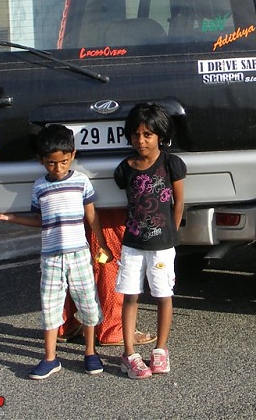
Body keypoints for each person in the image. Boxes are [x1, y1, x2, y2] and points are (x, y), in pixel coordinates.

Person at [0, 124, 113, 380]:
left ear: (73, 155)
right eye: (50, 163)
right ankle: (50, 357)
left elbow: (91, 215)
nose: (57, 168)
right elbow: (42, 221)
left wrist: (102, 243)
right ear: (40, 161)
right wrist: (12, 218)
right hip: (50, 257)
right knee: (50, 307)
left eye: (63, 162)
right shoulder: (40, 187)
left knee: (88, 302)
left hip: (79, 254)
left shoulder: (81, 181)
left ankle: (90, 352)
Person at [114, 102, 186, 379]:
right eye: (136, 134)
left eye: (147, 134)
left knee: (163, 295)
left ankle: (160, 349)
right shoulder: (125, 168)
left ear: (160, 136)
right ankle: (129, 353)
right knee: (130, 295)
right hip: (132, 245)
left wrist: (172, 231)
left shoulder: (171, 164)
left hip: (162, 247)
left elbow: (179, 202)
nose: (141, 140)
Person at [56, 210, 156, 347]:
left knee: (74, 255)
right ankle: (113, 329)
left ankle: (64, 324)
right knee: (110, 259)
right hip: (108, 205)